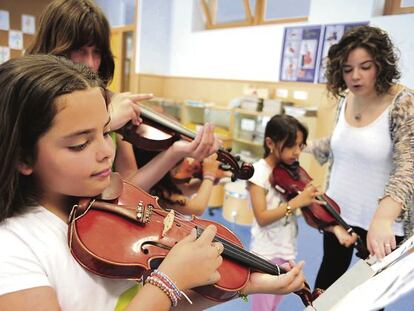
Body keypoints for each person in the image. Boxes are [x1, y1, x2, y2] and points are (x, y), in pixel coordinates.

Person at [0, 55, 307, 311]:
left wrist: (247, 285)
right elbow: (160, 294)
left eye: (106, 132)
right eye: (80, 144)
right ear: (23, 157)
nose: (106, 152)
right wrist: (166, 282)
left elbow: (150, 303)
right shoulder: (13, 250)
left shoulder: (101, 207)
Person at [26, 0, 208, 192]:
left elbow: (128, 186)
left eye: (96, 52)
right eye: (79, 51)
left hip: (95, 218)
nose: (90, 64)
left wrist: (174, 153)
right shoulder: (29, 96)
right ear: (55, 47)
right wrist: (108, 122)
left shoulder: (108, 101)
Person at [306, 25, 414, 291]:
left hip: (382, 224)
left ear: (381, 64)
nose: (355, 76)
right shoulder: (346, 98)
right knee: (325, 290)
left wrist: (383, 218)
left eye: (365, 66)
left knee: (368, 298)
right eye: (347, 69)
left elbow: (408, 165)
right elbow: (343, 143)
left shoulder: (403, 102)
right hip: (338, 212)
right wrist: (303, 147)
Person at [247, 114, 354, 310]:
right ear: (270, 143)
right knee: (262, 307)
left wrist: (335, 229)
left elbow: (310, 213)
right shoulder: (258, 174)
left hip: (286, 250)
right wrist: (296, 202)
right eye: (290, 146)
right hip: (265, 253)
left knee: (273, 303)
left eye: (300, 145)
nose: (297, 152)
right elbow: (262, 218)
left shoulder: (290, 172)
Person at [134, 147, 225, 216]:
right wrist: (209, 175)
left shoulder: (161, 185)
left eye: (183, 159)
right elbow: (197, 209)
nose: (189, 175)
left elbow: (185, 190)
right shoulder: (158, 191)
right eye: (176, 171)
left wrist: (209, 180)